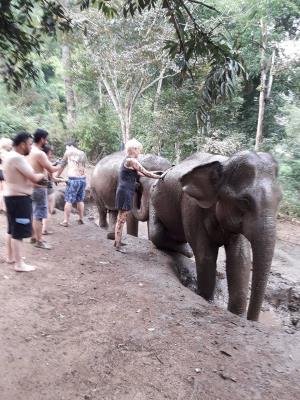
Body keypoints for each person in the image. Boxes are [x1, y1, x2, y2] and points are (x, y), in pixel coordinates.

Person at [2, 131, 46, 272]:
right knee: (19, 232)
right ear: (22, 145)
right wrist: (42, 175)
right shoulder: (17, 158)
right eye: (29, 144)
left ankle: (11, 258)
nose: (30, 147)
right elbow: (33, 177)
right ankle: (19, 263)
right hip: (19, 199)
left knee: (12, 229)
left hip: (11, 197)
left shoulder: (9, 156)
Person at [114, 138, 162, 253]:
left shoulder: (128, 160)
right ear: (133, 149)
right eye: (138, 150)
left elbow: (140, 172)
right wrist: (161, 177)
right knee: (121, 218)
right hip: (125, 191)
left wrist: (155, 174)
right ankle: (117, 245)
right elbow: (146, 172)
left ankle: (118, 241)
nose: (139, 152)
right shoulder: (132, 161)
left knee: (121, 217)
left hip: (125, 190)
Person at [27, 129, 61, 250]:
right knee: (39, 215)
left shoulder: (29, 150)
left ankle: (32, 236)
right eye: (46, 139)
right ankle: (39, 240)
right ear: (42, 139)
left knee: (32, 211)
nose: (46, 141)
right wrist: (60, 165)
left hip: (29, 186)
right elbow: (51, 169)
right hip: (40, 187)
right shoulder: (40, 153)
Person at [56, 139, 87, 227]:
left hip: (73, 179)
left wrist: (57, 176)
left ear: (69, 146)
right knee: (80, 200)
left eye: (66, 147)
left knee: (69, 200)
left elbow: (62, 165)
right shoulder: (82, 153)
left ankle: (66, 221)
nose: (66, 149)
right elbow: (83, 166)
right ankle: (81, 219)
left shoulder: (68, 152)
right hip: (82, 179)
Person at [42, 144, 65, 235]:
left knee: (38, 210)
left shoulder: (36, 160)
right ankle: (44, 230)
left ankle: (36, 232)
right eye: (50, 153)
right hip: (47, 189)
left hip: (37, 188)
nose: (51, 155)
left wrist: (63, 180)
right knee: (48, 210)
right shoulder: (46, 163)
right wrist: (59, 165)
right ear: (47, 153)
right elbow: (52, 177)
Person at [0, 138, 13, 214]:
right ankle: (5, 208)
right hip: (4, 172)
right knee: (5, 191)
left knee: (0, 191)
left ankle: (1, 207)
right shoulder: (6, 154)